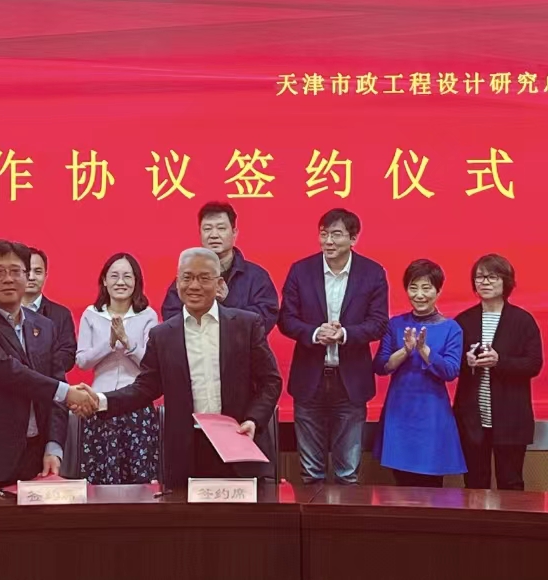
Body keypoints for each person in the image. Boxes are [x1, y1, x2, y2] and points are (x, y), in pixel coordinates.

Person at [77, 248, 282, 489]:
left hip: (240, 445)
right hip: (186, 454)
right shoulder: (163, 335)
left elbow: (270, 381)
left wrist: (253, 420)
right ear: (177, 283)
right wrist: (100, 400)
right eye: (187, 277)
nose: (194, 285)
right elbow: (145, 388)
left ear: (219, 284)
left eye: (203, 278)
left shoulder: (246, 325)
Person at [0, 239, 97, 490]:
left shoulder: (45, 326)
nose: (8, 279)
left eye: (16, 271)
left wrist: (53, 447)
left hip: (34, 457)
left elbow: (56, 384)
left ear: (27, 276)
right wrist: (67, 393)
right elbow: (6, 371)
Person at [278, 209, 389, 485]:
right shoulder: (301, 270)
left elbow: (378, 323)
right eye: (323, 234)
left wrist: (345, 334)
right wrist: (315, 333)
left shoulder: (372, 273)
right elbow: (286, 319)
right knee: (310, 472)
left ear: (353, 238)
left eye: (336, 235)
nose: (328, 241)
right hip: (310, 379)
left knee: (347, 473)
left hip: (350, 381)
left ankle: (345, 513)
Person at [453, 254, 544, 491]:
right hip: (472, 417)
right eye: (479, 277)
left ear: (506, 281)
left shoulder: (522, 320)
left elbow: (534, 364)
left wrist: (499, 361)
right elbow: (451, 364)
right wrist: (467, 362)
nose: (484, 282)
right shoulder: (463, 320)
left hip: (511, 417)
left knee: (510, 482)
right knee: (474, 483)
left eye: (492, 277)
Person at [373, 259, 466, 487]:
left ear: (438, 291)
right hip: (399, 411)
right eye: (413, 288)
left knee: (431, 487)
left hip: (432, 413)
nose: (419, 294)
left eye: (426, 288)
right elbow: (381, 366)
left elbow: (451, 371)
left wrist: (425, 351)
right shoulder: (395, 324)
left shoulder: (451, 328)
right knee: (401, 486)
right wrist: (405, 351)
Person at [75, 253, 161, 484]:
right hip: (99, 404)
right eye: (114, 276)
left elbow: (153, 365)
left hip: (137, 405)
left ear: (136, 281)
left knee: (140, 477)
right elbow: (82, 361)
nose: (120, 282)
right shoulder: (91, 314)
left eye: (127, 276)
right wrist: (110, 343)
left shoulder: (148, 315)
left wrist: (128, 343)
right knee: (101, 476)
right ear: (104, 280)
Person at [160, 201, 279, 334]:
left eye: (221, 228)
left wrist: (227, 304)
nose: (214, 235)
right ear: (200, 233)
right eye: (207, 229)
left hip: (241, 346)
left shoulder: (256, 276)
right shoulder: (188, 276)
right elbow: (170, 316)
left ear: (234, 233)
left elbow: (265, 319)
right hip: (197, 345)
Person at [24, 247, 77, 379]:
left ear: (45, 275)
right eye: (26, 271)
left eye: (37, 271)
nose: (31, 277)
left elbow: (68, 355)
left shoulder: (61, 314)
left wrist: (37, 369)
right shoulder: (1, 312)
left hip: (49, 386)